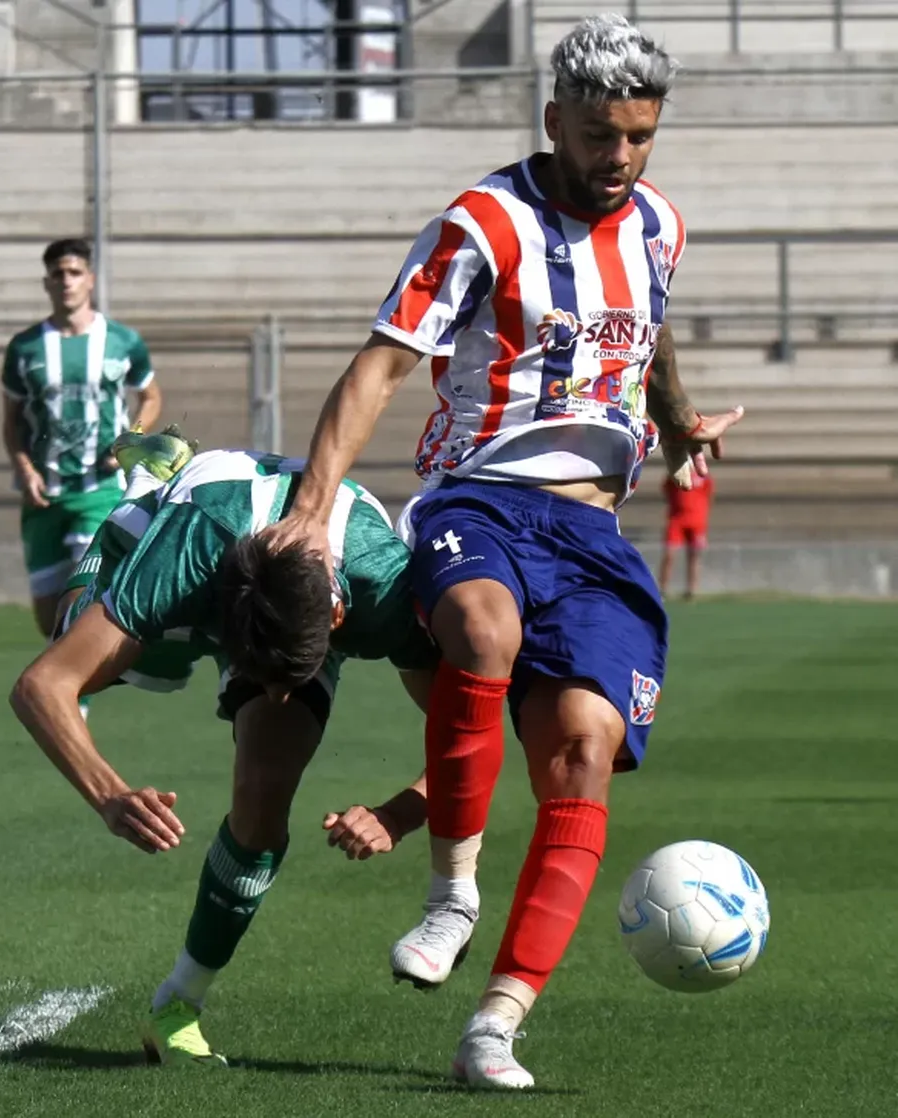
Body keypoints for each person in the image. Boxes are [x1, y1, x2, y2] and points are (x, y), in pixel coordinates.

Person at [261, 13, 744, 1090]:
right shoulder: (483, 221)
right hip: (477, 497)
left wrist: (678, 426)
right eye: (597, 135)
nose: (617, 157)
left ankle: (496, 1021)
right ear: (553, 119)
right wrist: (311, 505)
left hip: (593, 531)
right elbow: (382, 364)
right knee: (481, 630)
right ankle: (451, 896)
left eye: (637, 137)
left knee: (579, 747)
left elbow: (650, 334)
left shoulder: (660, 223)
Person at [9, 436, 435, 1067]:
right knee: (73, 638)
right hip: (197, 527)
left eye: (279, 679)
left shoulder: (386, 590)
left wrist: (400, 813)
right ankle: (149, 478)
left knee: (264, 795)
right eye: (256, 674)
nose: (265, 694)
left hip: (295, 576)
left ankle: (178, 1004)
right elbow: (42, 686)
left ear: (338, 622)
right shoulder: (188, 556)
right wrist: (108, 795)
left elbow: (473, 738)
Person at [0, 238, 163, 637]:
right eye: (58, 274)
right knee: (47, 617)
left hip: (101, 488)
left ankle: (75, 694)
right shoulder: (25, 348)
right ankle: (70, 681)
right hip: (46, 493)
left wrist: (130, 438)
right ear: (47, 283)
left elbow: (151, 397)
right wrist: (25, 469)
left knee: (80, 598)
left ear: (90, 279)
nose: (66, 281)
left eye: (74, 273)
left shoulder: (122, 341)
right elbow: (11, 422)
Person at [659, 470, 713, 599]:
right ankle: (662, 589)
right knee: (669, 554)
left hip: (697, 521)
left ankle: (691, 590)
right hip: (677, 519)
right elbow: (666, 490)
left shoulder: (703, 475)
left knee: (694, 556)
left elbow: (708, 494)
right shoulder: (674, 474)